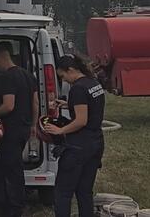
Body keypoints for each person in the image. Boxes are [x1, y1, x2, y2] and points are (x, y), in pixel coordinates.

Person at [43, 55, 106, 217]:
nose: (64, 80)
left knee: (63, 192)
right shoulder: (93, 83)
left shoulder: (78, 89)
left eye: (63, 76)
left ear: (71, 70)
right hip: (96, 143)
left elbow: (81, 121)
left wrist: (60, 130)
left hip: (78, 147)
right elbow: (90, 107)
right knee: (84, 191)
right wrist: (68, 104)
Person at [0, 44, 38, 217]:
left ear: (1, 58)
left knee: (12, 169)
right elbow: (35, 102)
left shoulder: (8, 77)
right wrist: (33, 124)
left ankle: (16, 208)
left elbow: (8, 106)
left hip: (11, 130)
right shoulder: (28, 75)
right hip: (24, 128)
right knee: (10, 166)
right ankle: (9, 203)